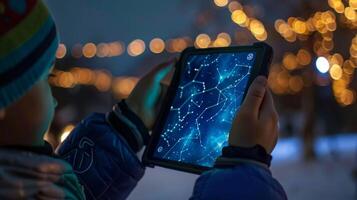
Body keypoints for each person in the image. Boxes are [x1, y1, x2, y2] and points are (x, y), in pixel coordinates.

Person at [0, 0, 287, 199]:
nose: (54, 96)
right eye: (43, 78)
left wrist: (128, 124)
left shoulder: (23, 183)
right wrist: (244, 168)